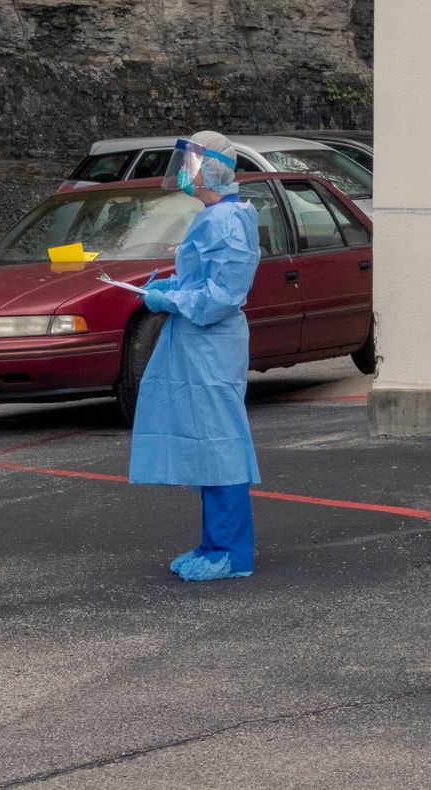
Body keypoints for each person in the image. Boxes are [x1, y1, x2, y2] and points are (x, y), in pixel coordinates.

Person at [131, 130, 263, 582]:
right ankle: (214, 544)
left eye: (191, 162)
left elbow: (224, 294)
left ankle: (230, 551)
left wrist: (172, 300)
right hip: (199, 342)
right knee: (207, 444)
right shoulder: (215, 215)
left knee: (220, 443)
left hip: (211, 342)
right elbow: (206, 281)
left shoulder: (226, 219)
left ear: (213, 169)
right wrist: (173, 288)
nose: (183, 171)